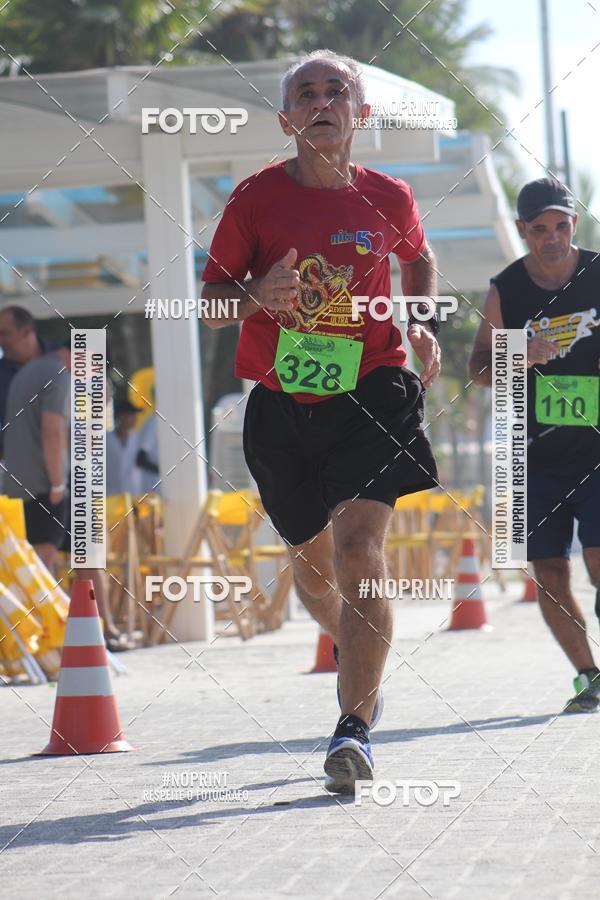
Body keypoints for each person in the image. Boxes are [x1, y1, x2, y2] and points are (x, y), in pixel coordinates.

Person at [200, 50, 441, 792]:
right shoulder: (254, 199)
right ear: (287, 120)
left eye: (337, 91)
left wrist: (422, 320)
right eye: (306, 93)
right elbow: (209, 305)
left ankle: (353, 730)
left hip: (373, 390)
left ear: (359, 114)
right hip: (282, 403)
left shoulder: (389, 196)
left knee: (360, 551)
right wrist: (256, 295)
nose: (322, 101)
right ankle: (361, 653)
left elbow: (418, 259)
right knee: (313, 576)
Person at [469, 175, 600, 713]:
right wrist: (515, 353)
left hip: (596, 453)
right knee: (548, 573)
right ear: (523, 229)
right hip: (532, 458)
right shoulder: (505, 289)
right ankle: (589, 676)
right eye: (540, 229)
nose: (553, 238)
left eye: (561, 226)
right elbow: (478, 367)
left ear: (574, 224)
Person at [3, 341, 71, 573]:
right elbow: (53, 432)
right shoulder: (58, 373)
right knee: (43, 561)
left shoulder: (25, 373)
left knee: (26, 563)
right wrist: (58, 485)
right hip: (43, 485)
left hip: (15, 485)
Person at [0, 306, 52, 461]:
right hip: (20, 466)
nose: (0, 341)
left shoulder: (65, 360)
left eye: (4, 334)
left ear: (26, 331)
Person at [106, 399, 143, 497]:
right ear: (120, 416)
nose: (135, 418)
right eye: (131, 415)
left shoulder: (139, 439)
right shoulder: (105, 440)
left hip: (134, 493)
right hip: (111, 494)